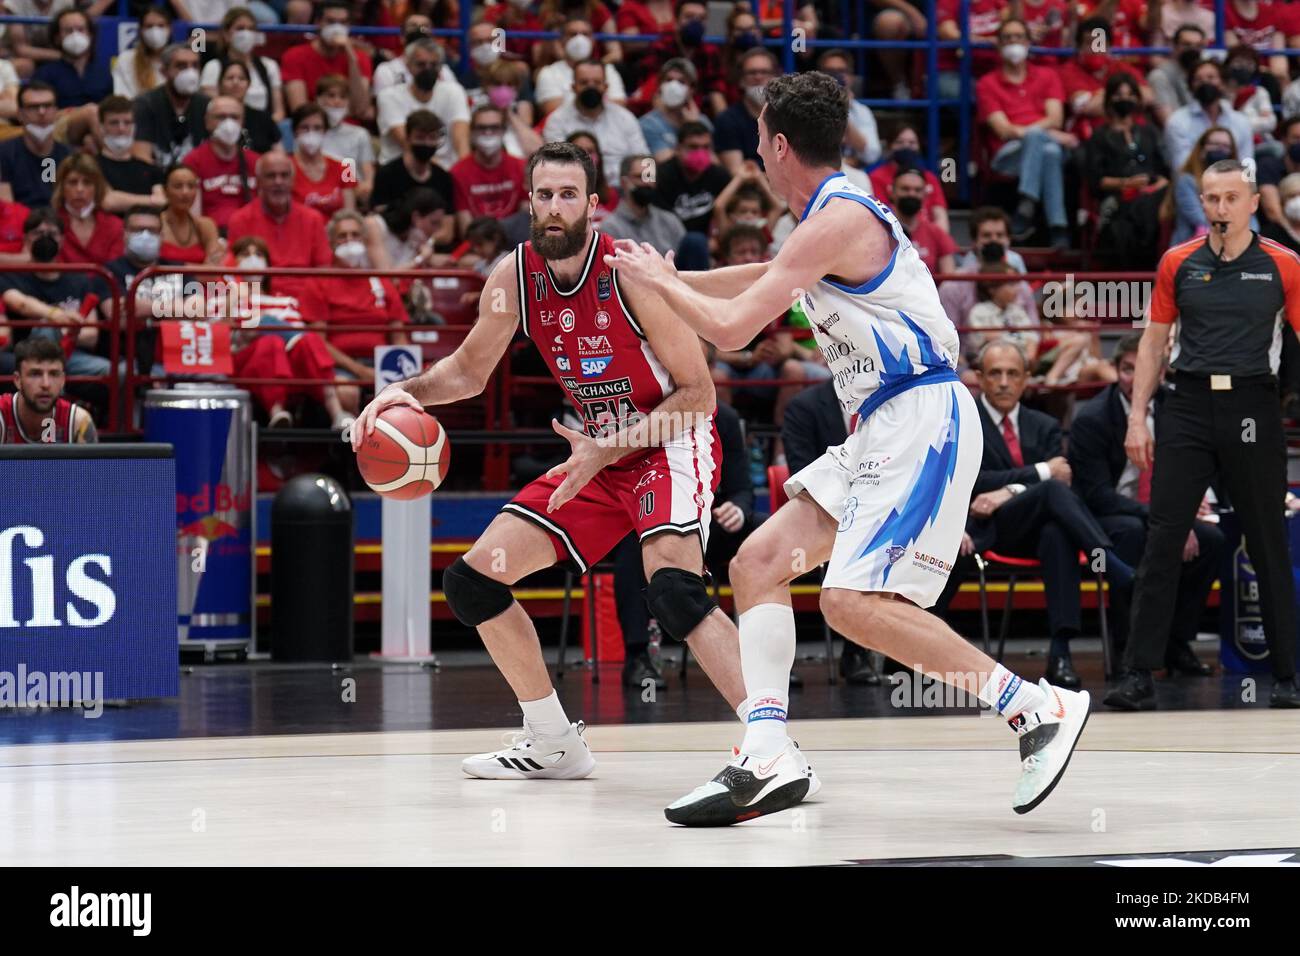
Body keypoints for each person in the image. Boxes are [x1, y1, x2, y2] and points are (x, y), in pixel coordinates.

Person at [608, 70, 1090, 824]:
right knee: (757, 563)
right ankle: (767, 752)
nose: (755, 157)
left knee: (850, 603)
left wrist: (659, 286)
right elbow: (766, 278)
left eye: (759, 141)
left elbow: (733, 331)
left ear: (775, 143)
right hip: (880, 424)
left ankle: (1035, 707)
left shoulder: (837, 218)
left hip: (919, 418)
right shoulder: (821, 219)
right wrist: (664, 276)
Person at [352, 142, 775, 793]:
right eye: (544, 195)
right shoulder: (514, 277)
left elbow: (699, 396)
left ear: (593, 206)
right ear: (528, 203)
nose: (555, 207)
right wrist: (405, 394)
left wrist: (609, 447)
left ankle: (771, 745)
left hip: (669, 443)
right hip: (597, 455)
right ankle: (553, 741)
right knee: (474, 582)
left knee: (674, 591)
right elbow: (466, 371)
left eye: (568, 195)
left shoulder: (631, 273)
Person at [1114, 158, 1300, 709]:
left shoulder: (1283, 264)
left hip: (1252, 405)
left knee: (1266, 540)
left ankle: (1288, 676)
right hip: (1189, 404)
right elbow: (1152, 344)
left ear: (1251, 203)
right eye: (1210, 198)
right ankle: (1138, 672)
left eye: (1230, 198)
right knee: (1164, 538)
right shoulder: (1178, 262)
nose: (1220, 208)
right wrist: (1136, 416)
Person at [967, 339, 1134, 687]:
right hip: (992, 529)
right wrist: (1039, 473)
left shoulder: (1043, 424)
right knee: (1053, 488)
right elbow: (974, 482)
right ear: (979, 378)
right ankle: (1110, 562)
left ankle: (1060, 654)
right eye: (995, 374)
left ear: (1026, 379)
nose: (1003, 382)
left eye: (1013, 374)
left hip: (1037, 530)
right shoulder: (965, 422)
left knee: (1056, 534)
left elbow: (1061, 479)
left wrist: (1008, 489)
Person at [1067, 333, 1222, 681]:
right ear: (1114, 370)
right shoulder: (1092, 418)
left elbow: (1194, 466)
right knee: (1134, 535)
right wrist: (1166, 520)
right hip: (1110, 516)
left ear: (1161, 372)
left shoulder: (1176, 408)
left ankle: (1176, 643)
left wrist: (1180, 514)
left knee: (1211, 541)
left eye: (1143, 369)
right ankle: (1128, 650)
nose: (1135, 378)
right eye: (1126, 369)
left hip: (1163, 509)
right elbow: (1096, 496)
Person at [976, 18, 1073, 247]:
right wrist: (1045, 133)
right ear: (998, 45)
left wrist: (1037, 134)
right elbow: (1004, 130)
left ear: (1029, 43)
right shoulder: (987, 83)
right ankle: (1058, 228)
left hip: (1042, 150)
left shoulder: (1047, 75)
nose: (1013, 42)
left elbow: (1056, 118)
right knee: (1045, 145)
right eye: (1007, 38)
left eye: (1019, 37)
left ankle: (1028, 206)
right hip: (1008, 155)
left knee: (1048, 152)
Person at [226, 151, 332, 303]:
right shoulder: (240, 219)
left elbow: (324, 271)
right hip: (259, 299)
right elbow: (233, 272)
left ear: (293, 180)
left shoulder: (313, 218)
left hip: (306, 300)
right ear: (258, 181)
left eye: (284, 175)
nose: (278, 182)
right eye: (271, 176)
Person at [542, 60, 649, 184]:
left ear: (606, 87)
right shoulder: (557, 121)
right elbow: (555, 166)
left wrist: (648, 188)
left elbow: (645, 159)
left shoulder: (625, 118)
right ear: (573, 87)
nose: (591, 87)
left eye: (597, 83)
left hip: (624, 191)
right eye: (584, 82)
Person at [375, 37, 469, 169]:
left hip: (449, 169)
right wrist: (441, 174)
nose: (428, 69)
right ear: (408, 66)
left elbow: (461, 141)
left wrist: (465, 171)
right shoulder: (389, 96)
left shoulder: (454, 91)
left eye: (434, 65)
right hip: (401, 169)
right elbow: (408, 144)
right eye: (421, 64)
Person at [281, 0, 373, 117]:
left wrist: (351, 58)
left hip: (350, 128)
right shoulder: (294, 56)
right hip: (313, 126)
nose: (336, 28)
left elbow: (361, 109)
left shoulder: (359, 58)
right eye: (330, 22)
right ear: (318, 23)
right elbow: (300, 110)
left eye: (343, 23)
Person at [182, 96, 260, 232]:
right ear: (207, 122)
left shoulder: (257, 162)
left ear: (242, 122)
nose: (228, 124)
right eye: (221, 117)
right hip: (210, 235)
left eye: (234, 117)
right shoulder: (194, 160)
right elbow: (192, 216)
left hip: (251, 235)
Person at [0, 337, 97, 443]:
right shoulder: (2, 415)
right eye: (35, 374)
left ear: (62, 380)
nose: (46, 384)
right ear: (17, 380)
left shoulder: (78, 422)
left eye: (54, 374)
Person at [1164, 59, 1254, 173]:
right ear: (1191, 86)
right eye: (1198, 79)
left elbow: (1247, 166)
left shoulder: (1241, 121)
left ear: (1222, 83)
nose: (1205, 82)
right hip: (1194, 185)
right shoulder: (1177, 121)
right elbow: (1182, 167)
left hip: (1233, 184)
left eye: (1211, 78)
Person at [450, 105, 527, 235]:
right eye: (482, 128)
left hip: (515, 242)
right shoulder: (458, 172)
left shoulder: (520, 167)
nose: (488, 133)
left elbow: (526, 217)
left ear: (504, 131)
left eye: (494, 127)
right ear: (472, 132)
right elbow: (466, 230)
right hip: (479, 245)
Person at [199, 6, 285, 122]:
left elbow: (279, 112)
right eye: (240, 28)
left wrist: (264, 128)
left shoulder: (269, 65)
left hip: (264, 129)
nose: (246, 33)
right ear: (226, 34)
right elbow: (211, 109)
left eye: (251, 29)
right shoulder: (213, 67)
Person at [132, 43, 209, 169]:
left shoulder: (207, 106)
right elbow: (141, 158)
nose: (190, 73)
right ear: (164, 71)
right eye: (181, 66)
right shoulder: (145, 105)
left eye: (195, 66)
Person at [369, 109, 455, 221]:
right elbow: (379, 219)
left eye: (432, 138)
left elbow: (448, 226)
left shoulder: (443, 178)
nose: (427, 143)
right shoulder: (387, 175)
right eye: (420, 137)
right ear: (408, 138)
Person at [534, 16, 627, 115]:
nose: (579, 39)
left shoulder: (608, 70)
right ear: (562, 40)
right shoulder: (549, 73)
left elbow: (619, 106)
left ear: (593, 40)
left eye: (585, 34)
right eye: (573, 34)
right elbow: (554, 111)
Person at [651, 121, 729, 236]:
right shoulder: (662, 177)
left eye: (705, 147)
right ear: (677, 148)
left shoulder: (718, 174)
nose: (700, 153)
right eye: (693, 147)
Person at [0, 82, 71, 207]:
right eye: (33, 107)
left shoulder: (69, 156)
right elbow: (6, 209)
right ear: (20, 114)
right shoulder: (4, 154)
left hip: (59, 223)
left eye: (48, 106)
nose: (42, 112)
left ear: (56, 111)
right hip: (21, 223)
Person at [869, 125, 949, 232]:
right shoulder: (876, 177)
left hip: (927, 237)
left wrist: (935, 240)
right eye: (899, 142)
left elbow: (940, 216)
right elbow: (880, 216)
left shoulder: (930, 178)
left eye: (912, 143)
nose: (906, 147)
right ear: (889, 146)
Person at [95, 95, 165, 212]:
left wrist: (122, 200)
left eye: (127, 122)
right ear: (102, 127)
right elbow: (108, 201)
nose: (121, 128)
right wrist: (152, 200)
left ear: (134, 127)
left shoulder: (150, 169)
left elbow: (162, 201)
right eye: (114, 123)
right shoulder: (91, 165)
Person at [52, 153, 124, 266]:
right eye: (72, 182)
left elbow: (115, 271)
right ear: (61, 187)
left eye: (87, 182)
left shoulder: (115, 226)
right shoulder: (50, 225)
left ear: (97, 188)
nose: (80, 189)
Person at [713, 47, 777, 174]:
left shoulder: (787, 118)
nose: (758, 77)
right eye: (752, 72)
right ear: (741, 80)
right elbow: (736, 172)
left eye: (764, 72)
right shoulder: (727, 120)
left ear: (774, 77)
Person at [33, 8, 112, 108]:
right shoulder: (44, 74)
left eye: (81, 29)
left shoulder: (103, 73)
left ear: (91, 35)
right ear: (57, 38)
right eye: (68, 31)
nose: (75, 35)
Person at [638, 58, 711, 163]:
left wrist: (696, 126)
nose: (673, 86)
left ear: (691, 90)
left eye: (681, 82)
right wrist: (690, 128)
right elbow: (667, 163)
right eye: (668, 80)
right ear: (660, 86)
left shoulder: (703, 122)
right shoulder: (648, 124)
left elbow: (714, 166)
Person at [288, 103, 354, 218]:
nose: (311, 133)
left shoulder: (346, 167)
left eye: (317, 128)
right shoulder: (285, 168)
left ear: (325, 132)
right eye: (305, 128)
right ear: (294, 132)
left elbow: (351, 213)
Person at [317, 73, 374, 204]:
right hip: (320, 194)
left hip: (353, 193)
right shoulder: (310, 134)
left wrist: (365, 187)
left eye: (342, 97)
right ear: (319, 99)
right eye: (331, 96)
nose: (337, 101)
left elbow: (368, 177)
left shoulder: (359, 134)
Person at [890, 166, 956, 275]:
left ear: (925, 195)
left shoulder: (936, 233)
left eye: (917, 190)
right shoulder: (880, 229)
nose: (911, 194)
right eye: (905, 189)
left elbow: (949, 279)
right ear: (892, 191)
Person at [159, 163, 222, 265]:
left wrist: (176, 268)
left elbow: (213, 270)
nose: (185, 192)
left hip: (199, 282)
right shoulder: (156, 224)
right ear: (165, 191)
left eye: (191, 186)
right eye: (178, 186)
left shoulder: (205, 225)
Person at [215, 60, 282, 155]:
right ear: (220, 84)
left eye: (241, 78)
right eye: (230, 78)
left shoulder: (263, 118)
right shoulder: (211, 117)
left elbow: (279, 154)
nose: (235, 82)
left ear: (249, 84)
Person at [1148, 24, 1207, 126]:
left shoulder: (1204, 76)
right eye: (1186, 45)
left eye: (1198, 46)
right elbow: (1169, 122)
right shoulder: (1160, 76)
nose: (1192, 49)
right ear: (1174, 46)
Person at [111, 6, 171, 100]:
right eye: (149, 26)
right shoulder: (126, 59)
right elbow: (122, 99)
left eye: (161, 26)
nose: (155, 31)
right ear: (140, 30)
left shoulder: (178, 60)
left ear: (170, 29)